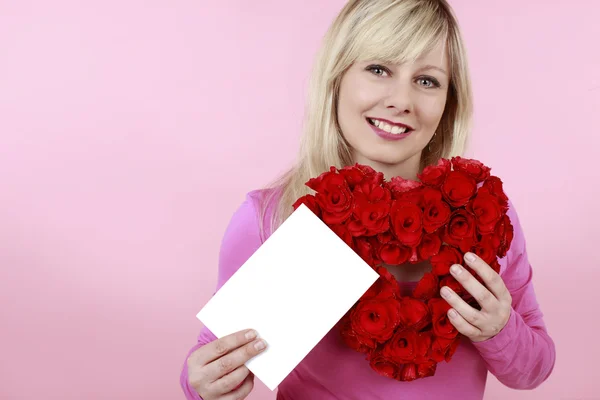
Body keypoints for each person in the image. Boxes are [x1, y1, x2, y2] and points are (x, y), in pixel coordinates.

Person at [180, 0, 556, 399]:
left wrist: (500, 330)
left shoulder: (486, 217)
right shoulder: (270, 217)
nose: (401, 100)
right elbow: (212, 359)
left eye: (427, 80)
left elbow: (533, 371)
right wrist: (203, 384)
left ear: (450, 103)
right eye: (379, 70)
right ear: (337, 76)